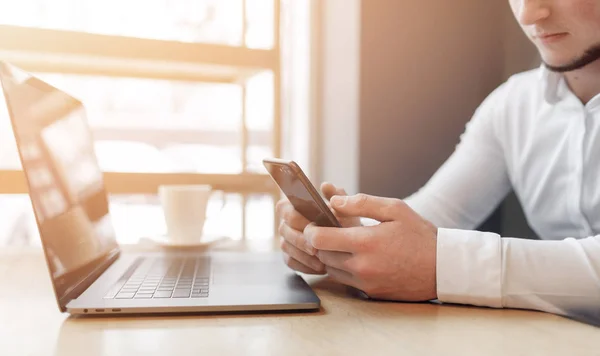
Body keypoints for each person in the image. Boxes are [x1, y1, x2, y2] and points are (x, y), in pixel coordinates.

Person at [277, 0, 600, 321]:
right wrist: (344, 241)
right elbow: (438, 213)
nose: (529, 14)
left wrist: (446, 265)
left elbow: (433, 252)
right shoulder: (514, 104)